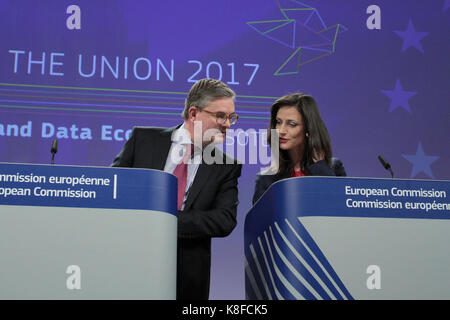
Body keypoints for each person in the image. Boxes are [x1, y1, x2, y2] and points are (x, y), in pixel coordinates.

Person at [112, 78, 242, 300]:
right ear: (193, 114)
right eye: (220, 116)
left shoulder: (227, 166)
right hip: (131, 260)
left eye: (231, 118)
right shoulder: (143, 140)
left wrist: (165, 220)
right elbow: (113, 190)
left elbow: (224, 219)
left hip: (187, 276)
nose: (228, 124)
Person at [252, 93, 346, 205]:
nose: (281, 130)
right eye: (278, 122)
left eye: (292, 124)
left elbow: (341, 209)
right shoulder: (266, 178)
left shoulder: (334, 167)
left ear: (308, 129)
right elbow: (259, 221)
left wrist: (320, 167)